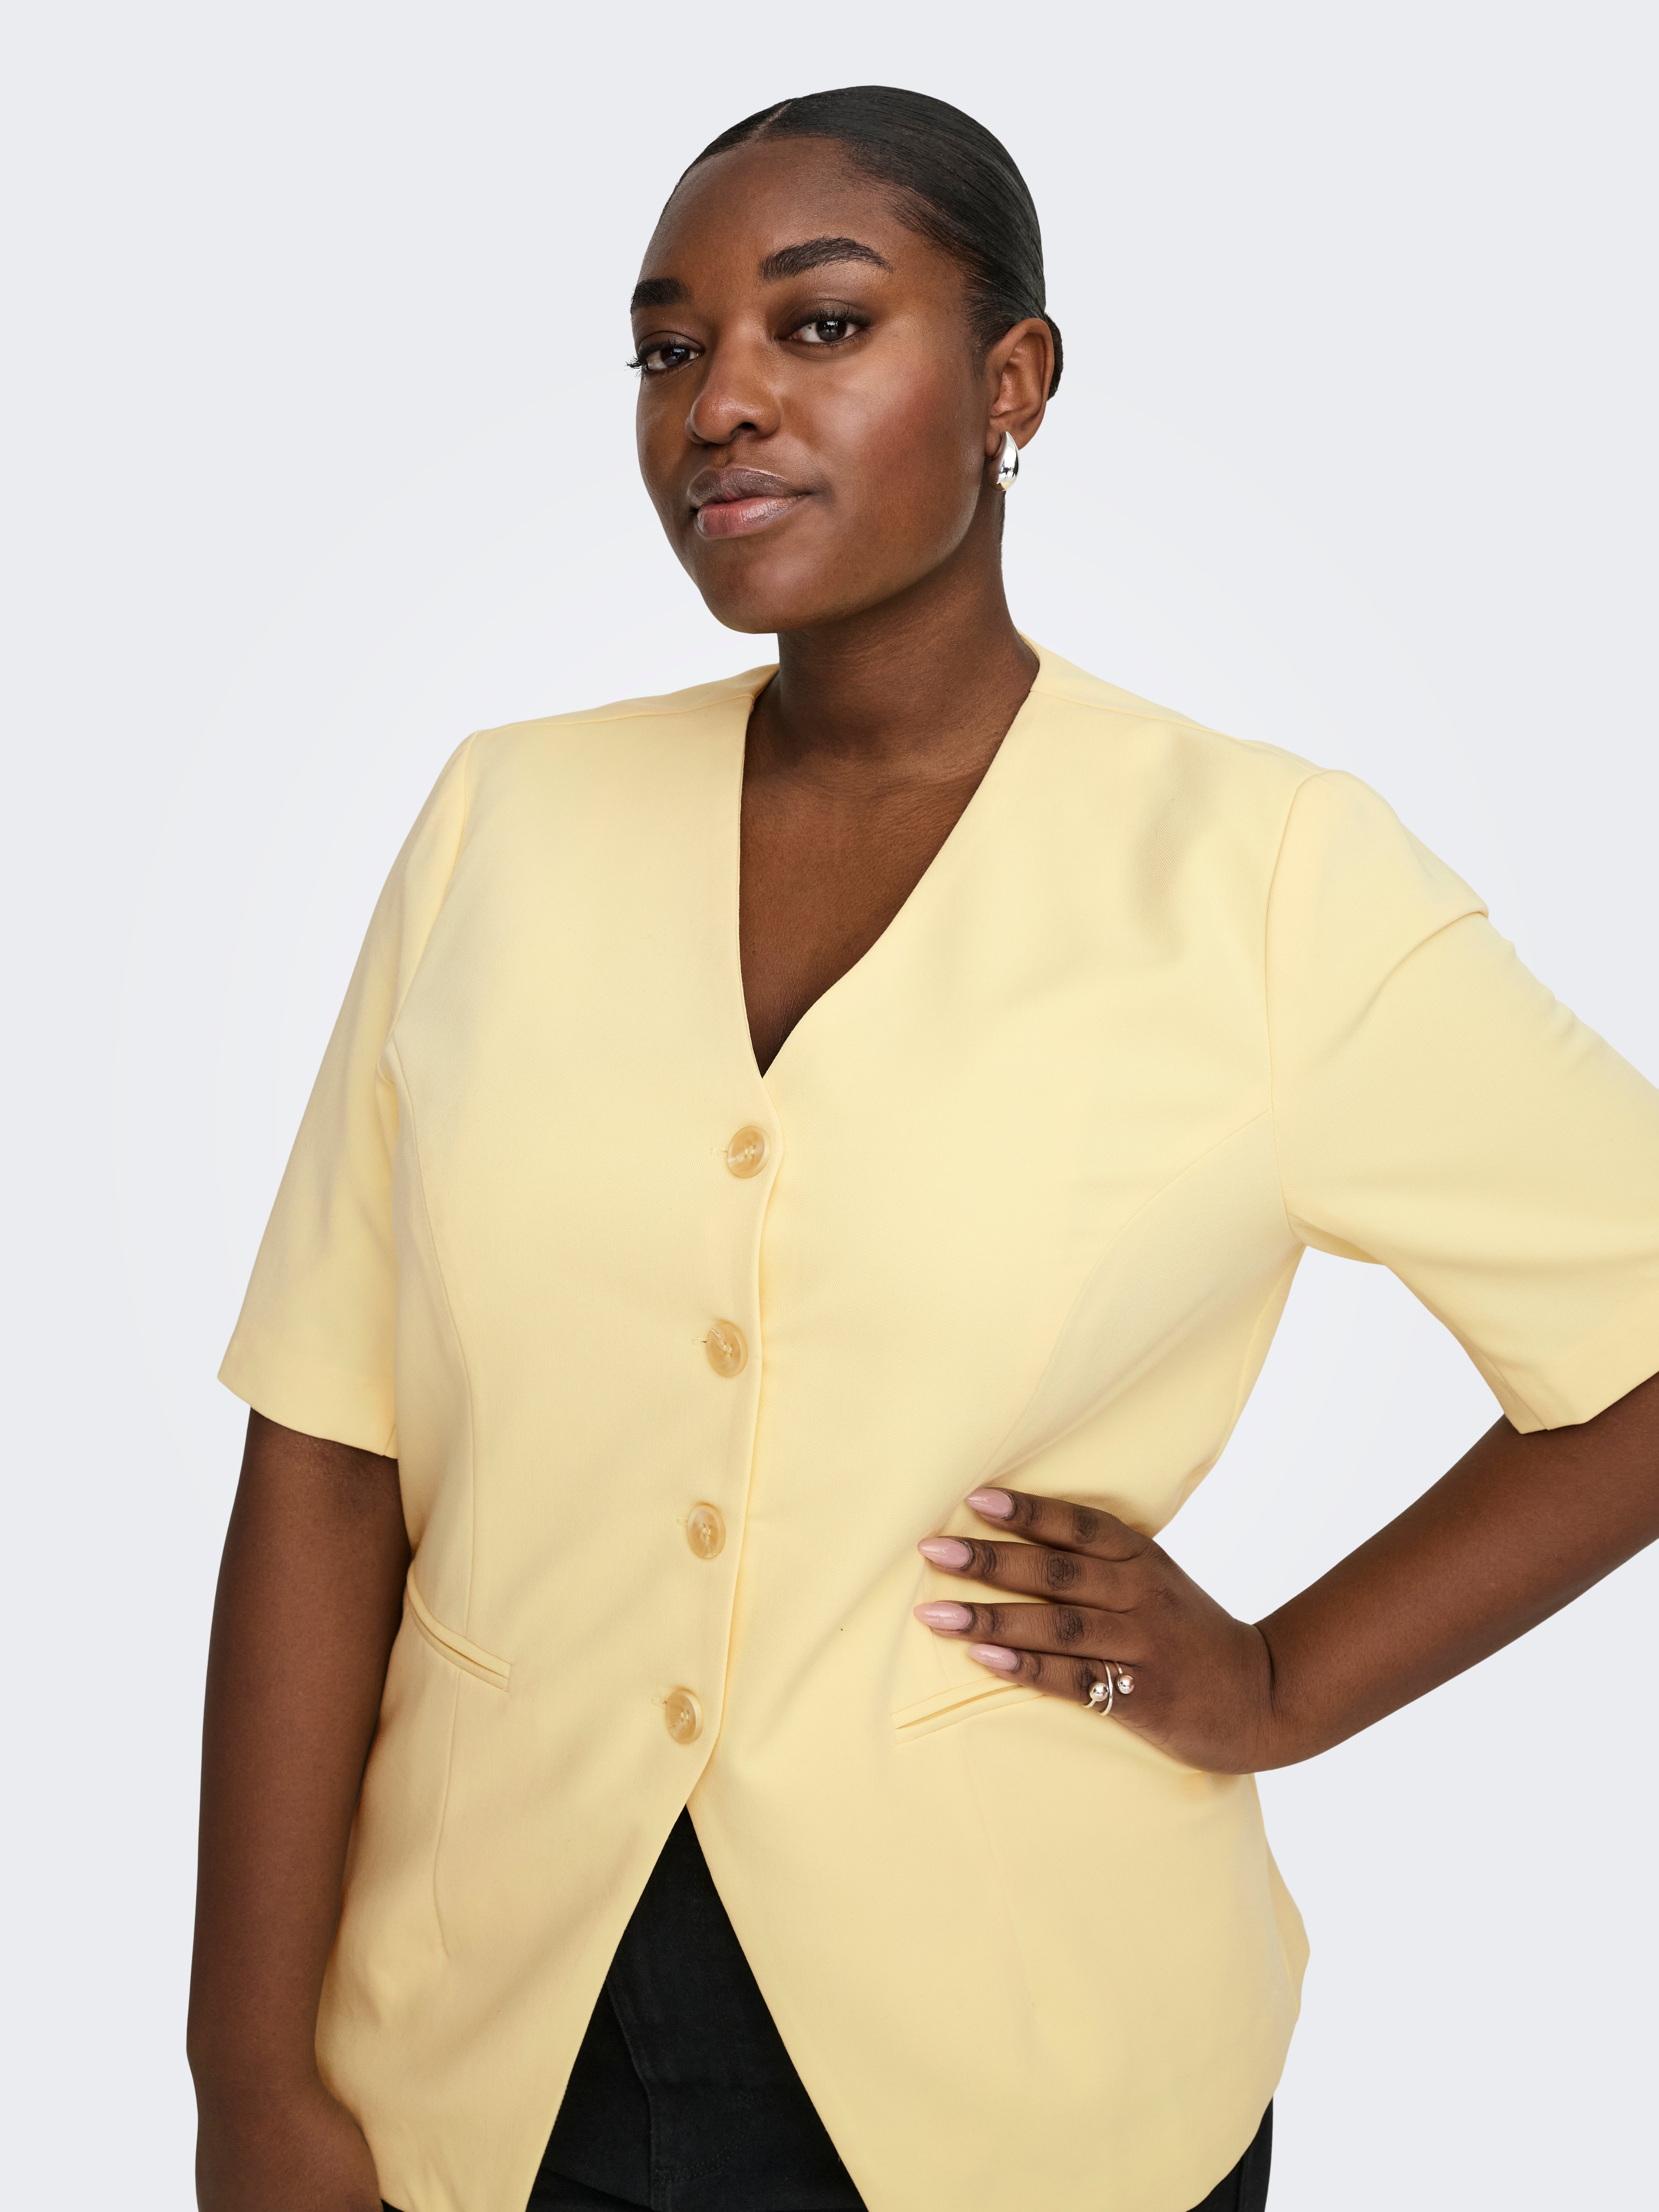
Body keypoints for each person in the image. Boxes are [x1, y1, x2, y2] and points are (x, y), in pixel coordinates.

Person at [187, 84, 1659, 2212]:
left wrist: (1283, 1679)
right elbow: (330, 1455)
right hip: (480, 2058)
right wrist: (250, 2069)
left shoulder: (1266, 876)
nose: (722, 403)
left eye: (822, 324)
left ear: (1012, 382)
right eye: (671, 348)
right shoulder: (503, 822)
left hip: (1036, 2075)